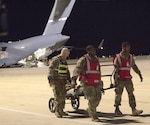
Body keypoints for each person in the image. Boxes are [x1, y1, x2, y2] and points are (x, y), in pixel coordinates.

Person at [71, 45, 103, 122]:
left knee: (98, 98)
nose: (94, 52)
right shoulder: (83, 60)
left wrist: (99, 80)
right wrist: (73, 80)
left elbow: (98, 71)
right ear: (88, 51)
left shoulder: (96, 59)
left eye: (95, 50)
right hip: (86, 82)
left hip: (96, 82)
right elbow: (77, 70)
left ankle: (90, 109)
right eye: (92, 50)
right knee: (92, 98)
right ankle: (93, 116)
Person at [113, 42, 143, 116]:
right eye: (127, 47)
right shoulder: (118, 58)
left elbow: (134, 66)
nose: (129, 49)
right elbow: (116, 71)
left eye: (129, 47)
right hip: (120, 80)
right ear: (123, 47)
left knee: (131, 94)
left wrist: (139, 74)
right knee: (118, 95)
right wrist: (115, 81)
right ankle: (117, 109)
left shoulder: (130, 57)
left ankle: (134, 109)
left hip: (128, 79)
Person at [47, 48, 71, 118]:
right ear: (63, 53)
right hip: (56, 81)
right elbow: (50, 70)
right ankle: (57, 111)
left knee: (63, 96)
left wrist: (69, 80)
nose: (67, 55)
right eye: (67, 54)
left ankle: (61, 110)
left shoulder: (64, 61)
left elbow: (66, 71)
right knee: (58, 97)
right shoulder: (56, 60)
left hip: (63, 81)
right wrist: (50, 81)